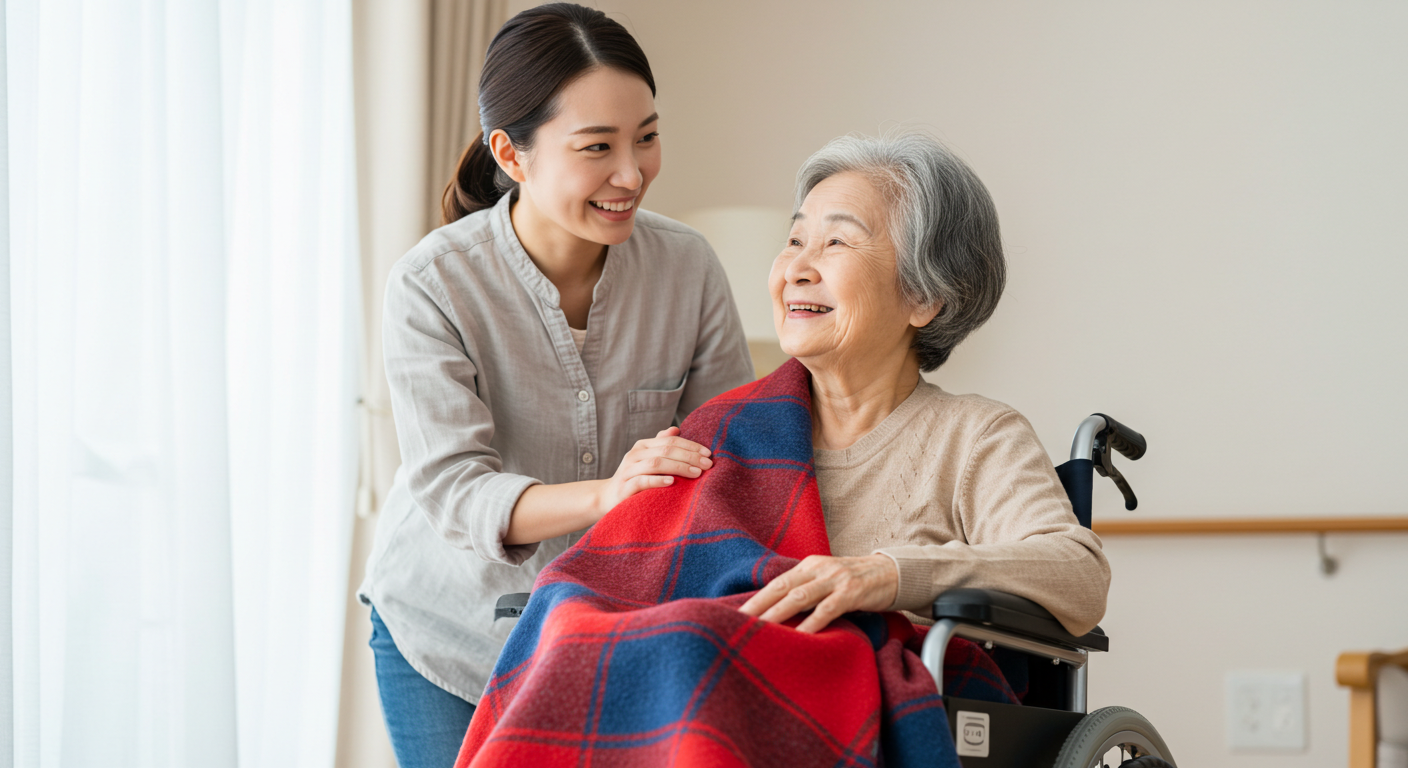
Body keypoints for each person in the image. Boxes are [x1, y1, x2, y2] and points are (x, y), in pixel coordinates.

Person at [357, 5, 753, 766]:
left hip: (613, 628)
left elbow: (725, 454)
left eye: (646, 136)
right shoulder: (432, 283)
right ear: (511, 153)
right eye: (597, 147)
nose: (631, 174)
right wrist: (611, 492)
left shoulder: (688, 269)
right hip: (450, 633)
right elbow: (455, 488)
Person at [738, 132, 1110, 636]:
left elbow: (1079, 574)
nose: (797, 270)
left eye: (837, 242)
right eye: (795, 241)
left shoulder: (975, 436)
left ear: (924, 297)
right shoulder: (730, 431)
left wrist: (891, 574)